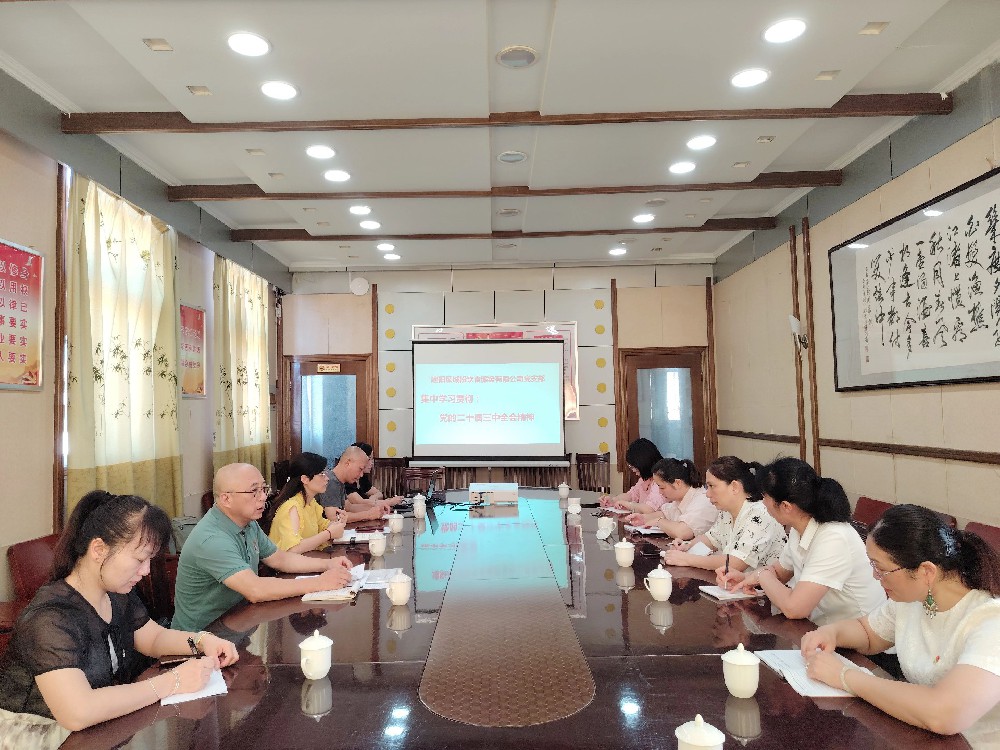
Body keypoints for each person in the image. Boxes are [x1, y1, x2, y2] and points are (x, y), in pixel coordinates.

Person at [0, 491, 239, 731]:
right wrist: (173, 682)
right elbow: (78, 712)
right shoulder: (49, 619)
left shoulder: (115, 592)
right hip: (36, 733)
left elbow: (153, 638)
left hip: (95, 724)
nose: (146, 571)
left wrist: (201, 640)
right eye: (140, 559)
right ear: (98, 549)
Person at [800, 504, 1000, 736]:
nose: (875, 576)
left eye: (881, 569)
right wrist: (831, 633)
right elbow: (868, 634)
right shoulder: (914, 599)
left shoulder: (990, 621)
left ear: (926, 571)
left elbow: (945, 713)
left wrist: (845, 676)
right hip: (920, 732)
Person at [171, 463, 354, 633]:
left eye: (263, 489)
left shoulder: (247, 523)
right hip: (201, 637)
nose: (263, 497)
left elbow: (280, 559)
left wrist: (328, 564)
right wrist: (320, 583)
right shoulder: (212, 539)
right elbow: (255, 590)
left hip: (238, 620)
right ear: (226, 499)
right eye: (254, 491)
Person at [719, 457, 885, 625]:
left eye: (765, 497)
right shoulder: (799, 527)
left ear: (786, 507)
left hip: (861, 634)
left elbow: (794, 608)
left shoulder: (834, 537)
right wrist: (744, 578)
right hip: (824, 628)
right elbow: (779, 573)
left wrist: (762, 575)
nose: (763, 502)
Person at [662, 455, 786, 572]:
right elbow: (711, 539)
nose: (707, 494)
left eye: (712, 486)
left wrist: (687, 559)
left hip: (764, 585)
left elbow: (736, 563)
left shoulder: (759, 514)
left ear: (734, 487)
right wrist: (687, 546)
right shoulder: (726, 512)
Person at [262, 452, 346, 552]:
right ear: (305, 479)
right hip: (288, 561)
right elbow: (292, 549)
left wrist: (338, 523)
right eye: (321, 474)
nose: (327, 478)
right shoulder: (292, 507)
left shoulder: (310, 502)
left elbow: (322, 525)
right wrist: (329, 533)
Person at [624, 458, 717, 540]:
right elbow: (666, 513)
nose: (660, 492)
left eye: (662, 487)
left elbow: (683, 532)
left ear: (677, 483)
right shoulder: (680, 499)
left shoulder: (703, 500)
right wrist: (643, 518)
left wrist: (659, 522)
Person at [321, 446, 391, 525]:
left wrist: (377, 508)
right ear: (348, 463)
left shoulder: (339, 481)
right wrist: (368, 515)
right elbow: (334, 518)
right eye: (360, 469)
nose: (361, 475)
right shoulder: (330, 481)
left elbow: (349, 507)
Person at [598, 438, 665, 512]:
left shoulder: (660, 481)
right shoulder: (644, 479)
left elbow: (649, 509)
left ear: (644, 463)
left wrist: (629, 505)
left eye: (634, 467)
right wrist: (613, 500)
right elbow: (631, 495)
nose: (633, 470)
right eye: (631, 467)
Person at [344, 442, 403, 509]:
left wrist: (372, 500)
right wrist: (389, 502)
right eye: (369, 459)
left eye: (372, 459)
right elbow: (360, 503)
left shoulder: (362, 477)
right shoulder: (347, 479)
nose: (372, 463)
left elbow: (379, 494)